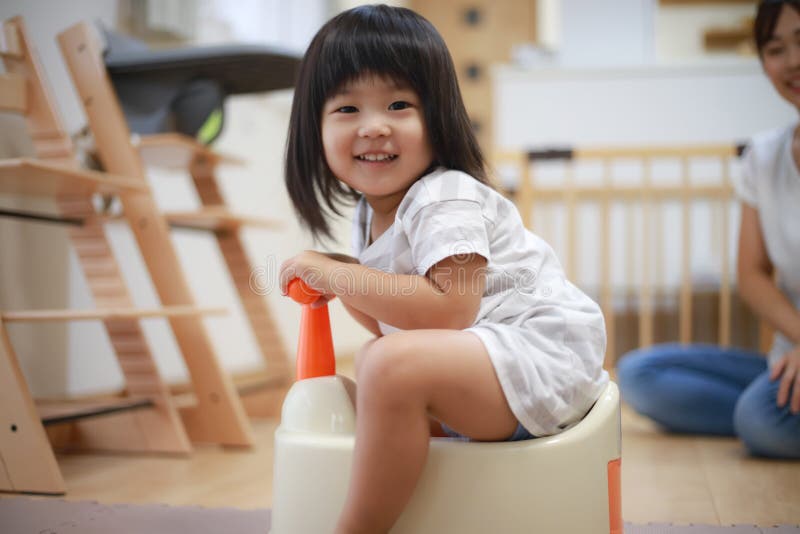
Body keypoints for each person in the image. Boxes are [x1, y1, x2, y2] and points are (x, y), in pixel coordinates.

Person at [278, 5, 608, 533]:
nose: (375, 126)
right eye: (346, 109)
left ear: (439, 117)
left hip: (541, 361)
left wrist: (339, 276)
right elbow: (402, 320)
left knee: (385, 364)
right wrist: (347, 278)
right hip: (495, 363)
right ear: (313, 128)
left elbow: (450, 309)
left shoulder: (442, 196)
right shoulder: (370, 213)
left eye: (399, 103)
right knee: (378, 361)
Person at [616, 0, 800, 459]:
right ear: (762, 62)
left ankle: (766, 411)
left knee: (761, 421)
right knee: (638, 374)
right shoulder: (764, 155)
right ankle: (771, 404)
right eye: (775, 48)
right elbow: (753, 276)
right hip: (790, 351)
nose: (792, 61)